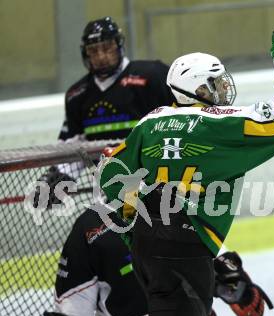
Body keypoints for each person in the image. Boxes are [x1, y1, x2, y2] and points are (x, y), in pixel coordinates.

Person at [99, 27, 274, 316]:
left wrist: (134, 208)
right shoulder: (216, 124)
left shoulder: (150, 123)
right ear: (195, 89)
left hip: (147, 251)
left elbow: (110, 171)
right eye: (213, 84)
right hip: (185, 252)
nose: (221, 90)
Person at [43, 205, 269, 316]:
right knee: (195, 312)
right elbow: (242, 299)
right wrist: (238, 290)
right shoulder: (182, 206)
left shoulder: (90, 226)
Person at [35, 16, 174, 205]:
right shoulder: (77, 95)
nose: (101, 56)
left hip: (158, 183)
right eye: (94, 51)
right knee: (85, 231)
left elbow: (181, 118)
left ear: (118, 45)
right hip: (111, 188)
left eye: (107, 47)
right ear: (85, 54)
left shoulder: (152, 76)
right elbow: (74, 145)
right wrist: (59, 177)